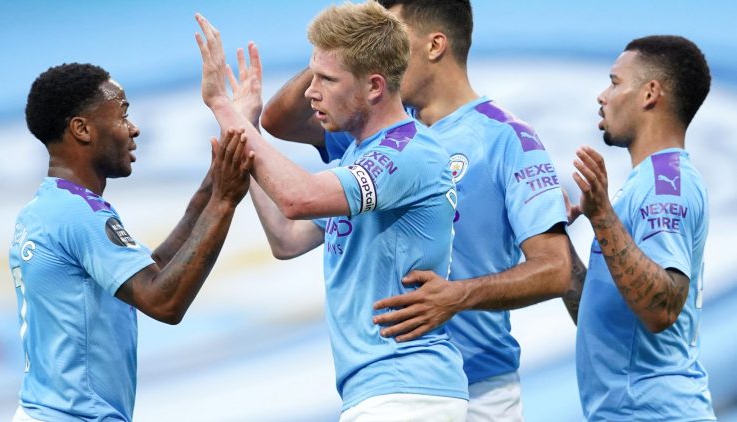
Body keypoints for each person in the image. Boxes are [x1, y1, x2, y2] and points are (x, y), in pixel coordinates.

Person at [259, 1, 572, 420]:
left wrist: (458, 296)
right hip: (397, 383)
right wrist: (348, 37)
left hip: (479, 386)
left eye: (393, 34)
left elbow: (556, 268)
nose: (383, 50)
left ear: (434, 45)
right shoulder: (378, 134)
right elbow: (279, 120)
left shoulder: (506, 138)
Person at [193, 3, 469, 420]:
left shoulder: (408, 152)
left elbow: (298, 197)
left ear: (374, 86)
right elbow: (286, 237)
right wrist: (242, 126)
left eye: (326, 78)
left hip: (407, 391)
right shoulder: (361, 158)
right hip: (382, 391)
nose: (310, 91)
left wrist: (223, 107)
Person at [10, 63, 253, 421]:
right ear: (82, 129)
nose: (134, 128)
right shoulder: (79, 214)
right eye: (123, 114)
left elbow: (149, 272)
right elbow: (163, 300)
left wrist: (213, 187)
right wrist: (224, 201)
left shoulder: (48, 208)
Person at [562, 35, 715, 421]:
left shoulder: (666, 183)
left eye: (614, 82)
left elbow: (661, 308)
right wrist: (555, 240)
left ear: (649, 93)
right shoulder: (644, 184)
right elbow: (606, 318)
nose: (602, 95)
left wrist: (602, 217)